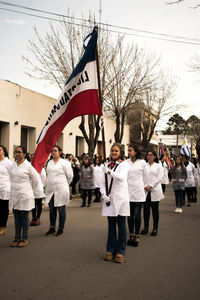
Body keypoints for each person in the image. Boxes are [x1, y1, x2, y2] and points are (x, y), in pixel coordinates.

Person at [100, 143, 130, 263]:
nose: (113, 153)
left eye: (116, 151)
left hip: (121, 198)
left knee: (121, 225)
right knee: (111, 225)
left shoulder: (124, 165)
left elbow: (121, 177)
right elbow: (102, 182)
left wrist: (108, 172)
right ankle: (110, 249)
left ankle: (120, 251)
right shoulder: (107, 165)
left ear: (120, 152)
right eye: (112, 150)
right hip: (110, 199)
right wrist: (103, 194)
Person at [9, 146, 43, 247]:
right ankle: (17, 237)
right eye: (16, 152)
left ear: (24, 154)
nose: (17, 154)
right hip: (15, 195)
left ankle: (24, 238)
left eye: (19, 152)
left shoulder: (28, 166)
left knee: (24, 218)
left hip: (25, 195)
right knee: (16, 218)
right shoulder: (13, 166)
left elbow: (36, 180)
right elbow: (11, 178)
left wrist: (31, 190)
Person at [45, 145, 73, 237]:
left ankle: (61, 228)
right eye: (52, 151)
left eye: (55, 151)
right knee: (52, 210)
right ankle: (52, 227)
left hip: (61, 190)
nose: (53, 152)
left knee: (61, 210)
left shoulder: (64, 163)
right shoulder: (49, 163)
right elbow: (48, 174)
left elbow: (70, 176)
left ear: (60, 152)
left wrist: (64, 184)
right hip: (51, 190)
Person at [126, 145, 149, 247]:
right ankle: (131, 234)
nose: (129, 152)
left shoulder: (142, 162)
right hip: (128, 191)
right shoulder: (126, 163)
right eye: (128, 151)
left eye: (130, 150)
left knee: (137, 214)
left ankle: (137, 235)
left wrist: (145, 190)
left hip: (139, 191)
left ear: (135, 152)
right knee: (130, 215)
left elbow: (146, 178)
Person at [141, 150, 164, 236]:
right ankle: (146, 227)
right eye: (148, 155)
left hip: (155, 190)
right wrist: (145, 186)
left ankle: (155, 228)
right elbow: (141, 177)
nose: (149, 156)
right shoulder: (144, 166)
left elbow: (159, 178)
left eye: (151, 155)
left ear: (154, 156)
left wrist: (151, 186)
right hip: (145, 190)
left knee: (155, 210)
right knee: (146, 210)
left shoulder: (158, 166)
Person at [0, 145, 12, 236]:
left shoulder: (8, 163)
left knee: (4, 208)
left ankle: (3, 227)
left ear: (4, 151)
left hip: (5, 188)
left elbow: (12, 176)